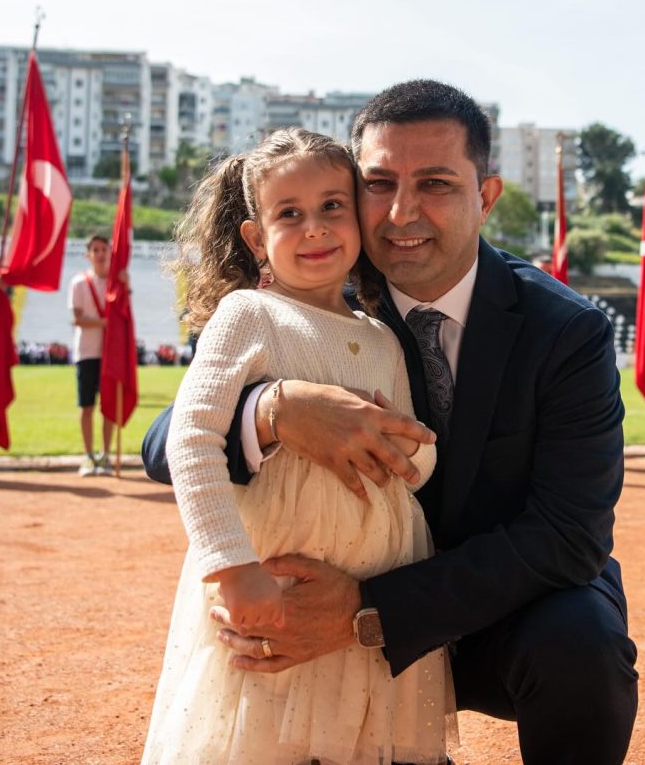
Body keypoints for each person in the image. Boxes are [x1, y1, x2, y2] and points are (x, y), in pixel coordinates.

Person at [144, 80, 638, 764]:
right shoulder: (311, 292)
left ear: (486, 196)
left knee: (582, 642)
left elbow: (568, 536)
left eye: (435, 183)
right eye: (379, 184)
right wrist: (278, 410)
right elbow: (167, 439)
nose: (403, 212)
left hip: (496, 607)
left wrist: (367, 611)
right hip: (313, 600)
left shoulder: (566, 331)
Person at [141, 128, 450, 765]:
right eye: (290, 214)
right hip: (270, 579)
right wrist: (232, 566)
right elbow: (192, 438)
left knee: (359, 733)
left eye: (333, 206)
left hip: (373, 578)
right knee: (265, 728)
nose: (315, 228)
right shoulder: (246, 315)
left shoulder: (383, 338)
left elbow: (415, 463)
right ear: (257, 238)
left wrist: (411, 448)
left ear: (359, 217)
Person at [67, 235, 116, 476]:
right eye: (95, 250)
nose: (100, 254)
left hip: (109, 354)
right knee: (86, 406)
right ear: (88, 255)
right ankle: (88, 456)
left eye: (103, 249)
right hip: (86, 352)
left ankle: (105, 455)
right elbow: (77, 318)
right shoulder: (79, 282)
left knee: (108, 408)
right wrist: (103, 323)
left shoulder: (117, 284)